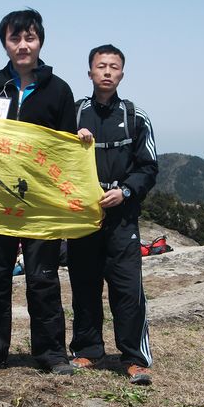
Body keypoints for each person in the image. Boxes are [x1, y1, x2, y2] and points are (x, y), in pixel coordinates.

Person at [0, 9, 76, 375]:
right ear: (5, 43)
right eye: (15, 38)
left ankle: (51, 354)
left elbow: (68, 149)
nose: (23, 45)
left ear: (40, 41)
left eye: (29, 37)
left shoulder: (59, 90)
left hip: (41, 202)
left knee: (43, 277)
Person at [68, 44, 158, 385]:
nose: (107, 72)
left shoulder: (135, 117)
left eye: (114, 67)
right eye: (100, 66)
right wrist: (73, 139)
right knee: (84, 285)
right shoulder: (75, 114)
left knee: (127, 287)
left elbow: (148, 167)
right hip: (84, 216)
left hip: (122, 217)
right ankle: (88, 350)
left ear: (122, 73)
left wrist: (126, 192)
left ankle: (135, 359)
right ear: (89, 72)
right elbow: (54, 154)